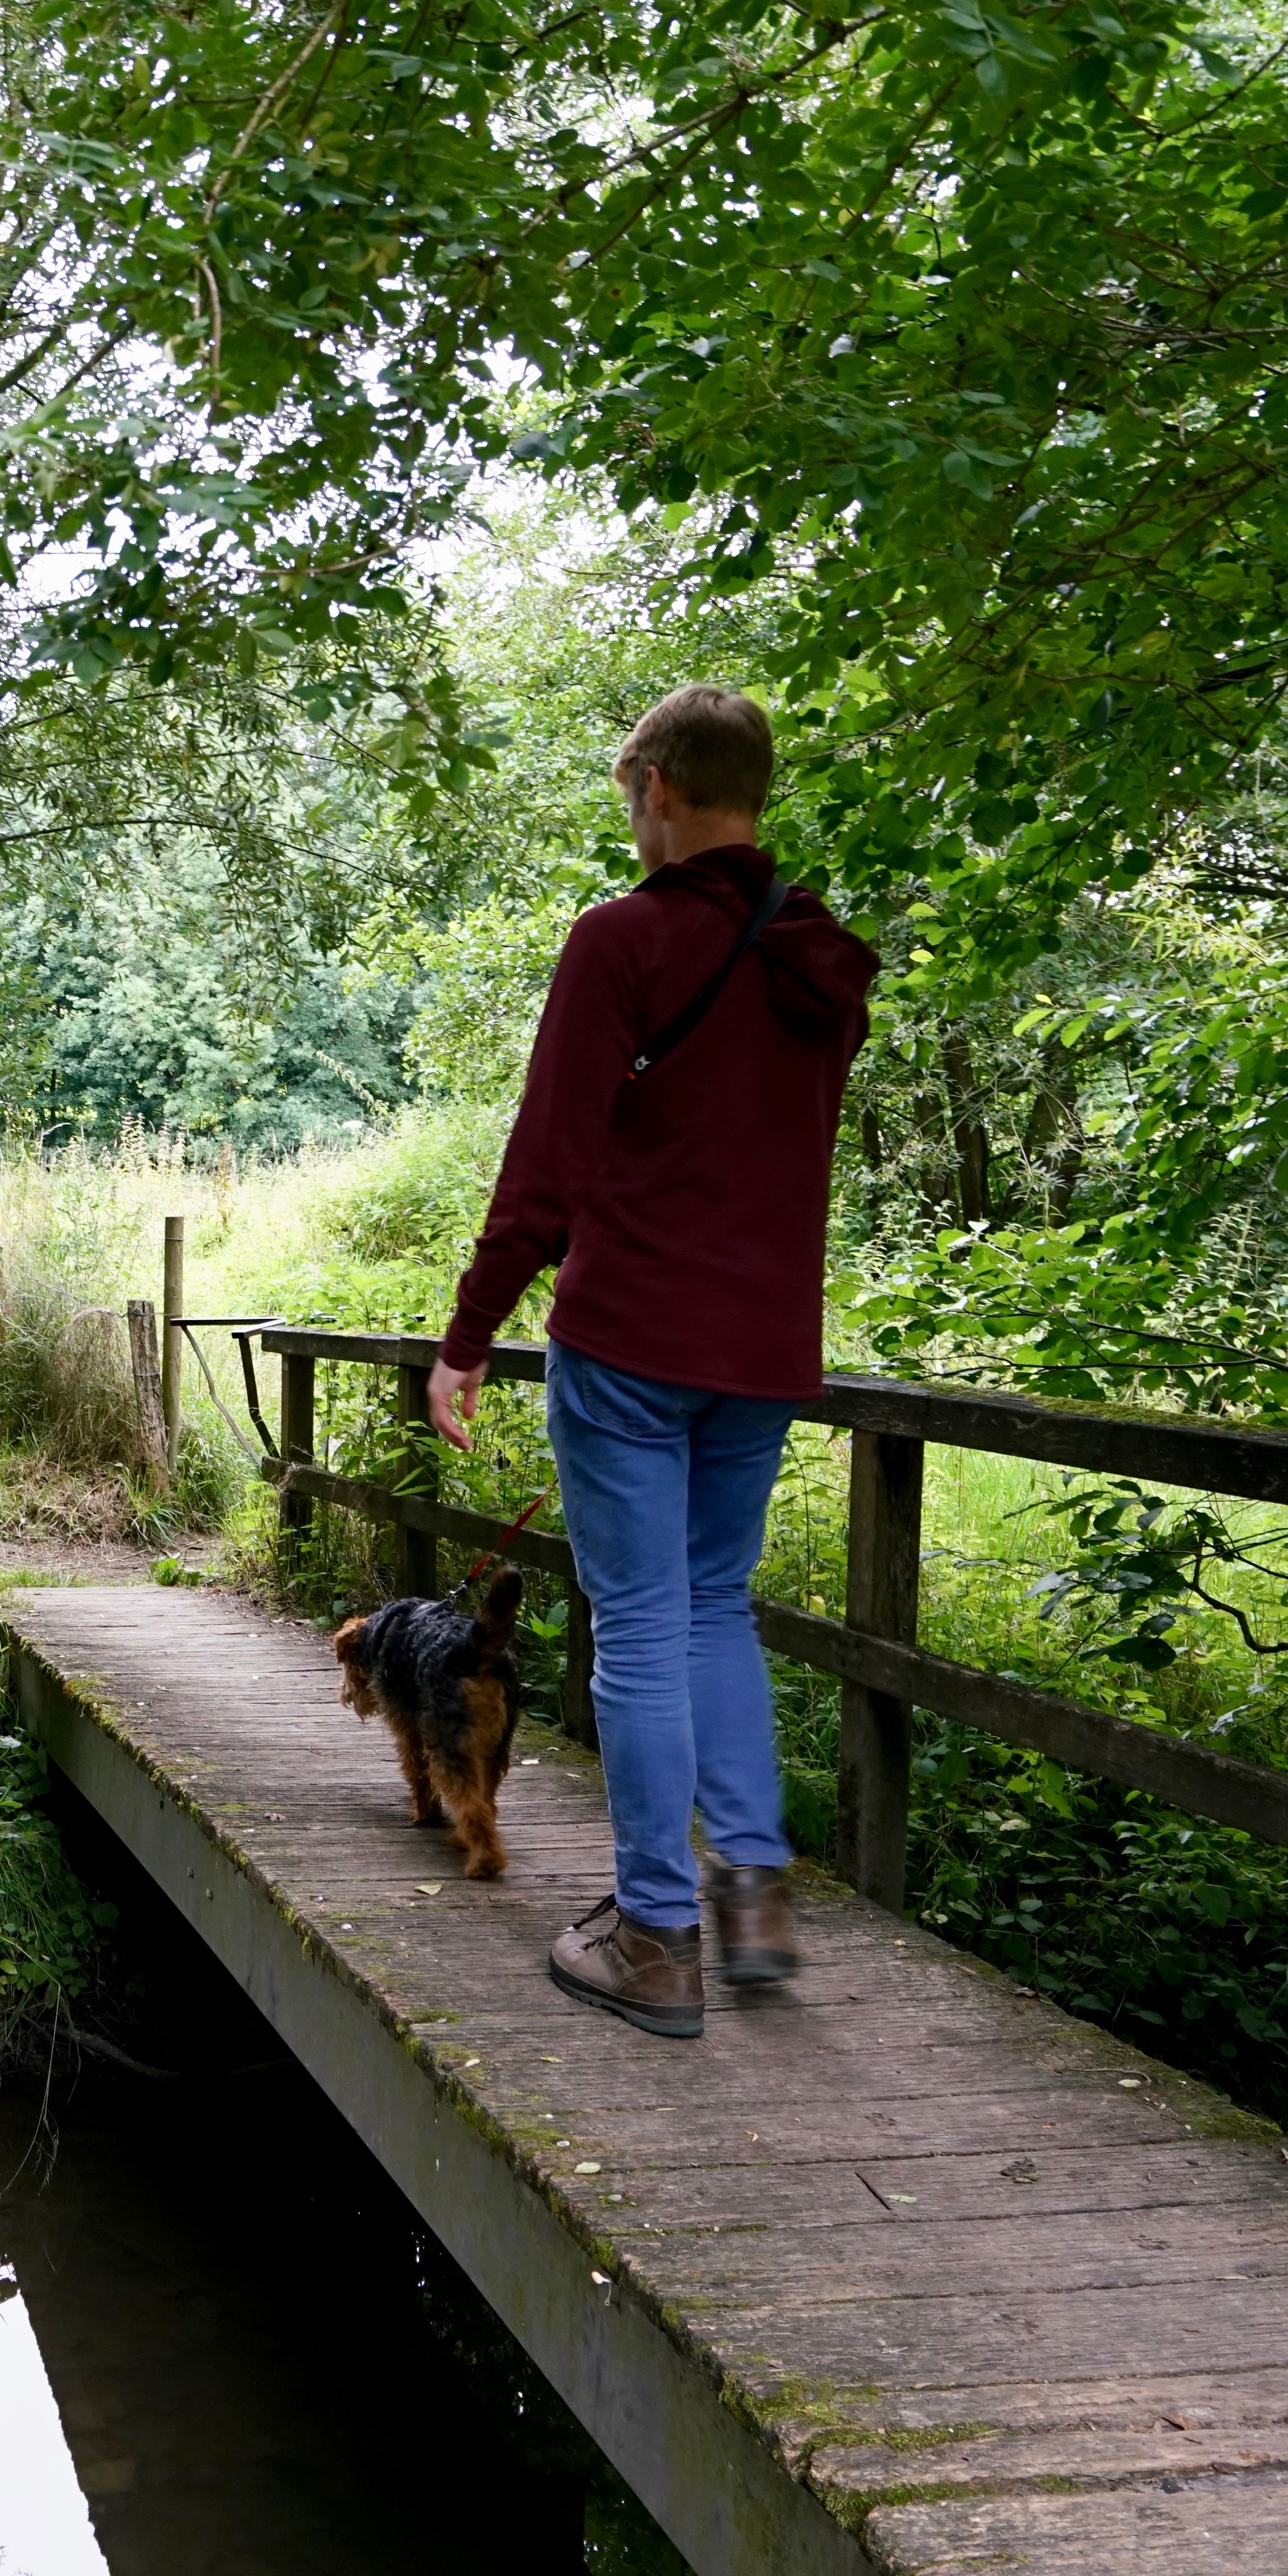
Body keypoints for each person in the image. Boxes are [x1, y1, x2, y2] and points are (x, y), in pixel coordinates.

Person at [426, 684, 878, 2039]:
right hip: (760, 1347)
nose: (630, 822)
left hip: (630, 1338)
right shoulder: (820, 960)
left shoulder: (622, 941)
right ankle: (750, 1909)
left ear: (662, 790)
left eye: (632, 798)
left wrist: (468, 1337)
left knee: (637, 1624)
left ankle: (652, 1936)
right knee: (711, 1609)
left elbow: (548, 1160)